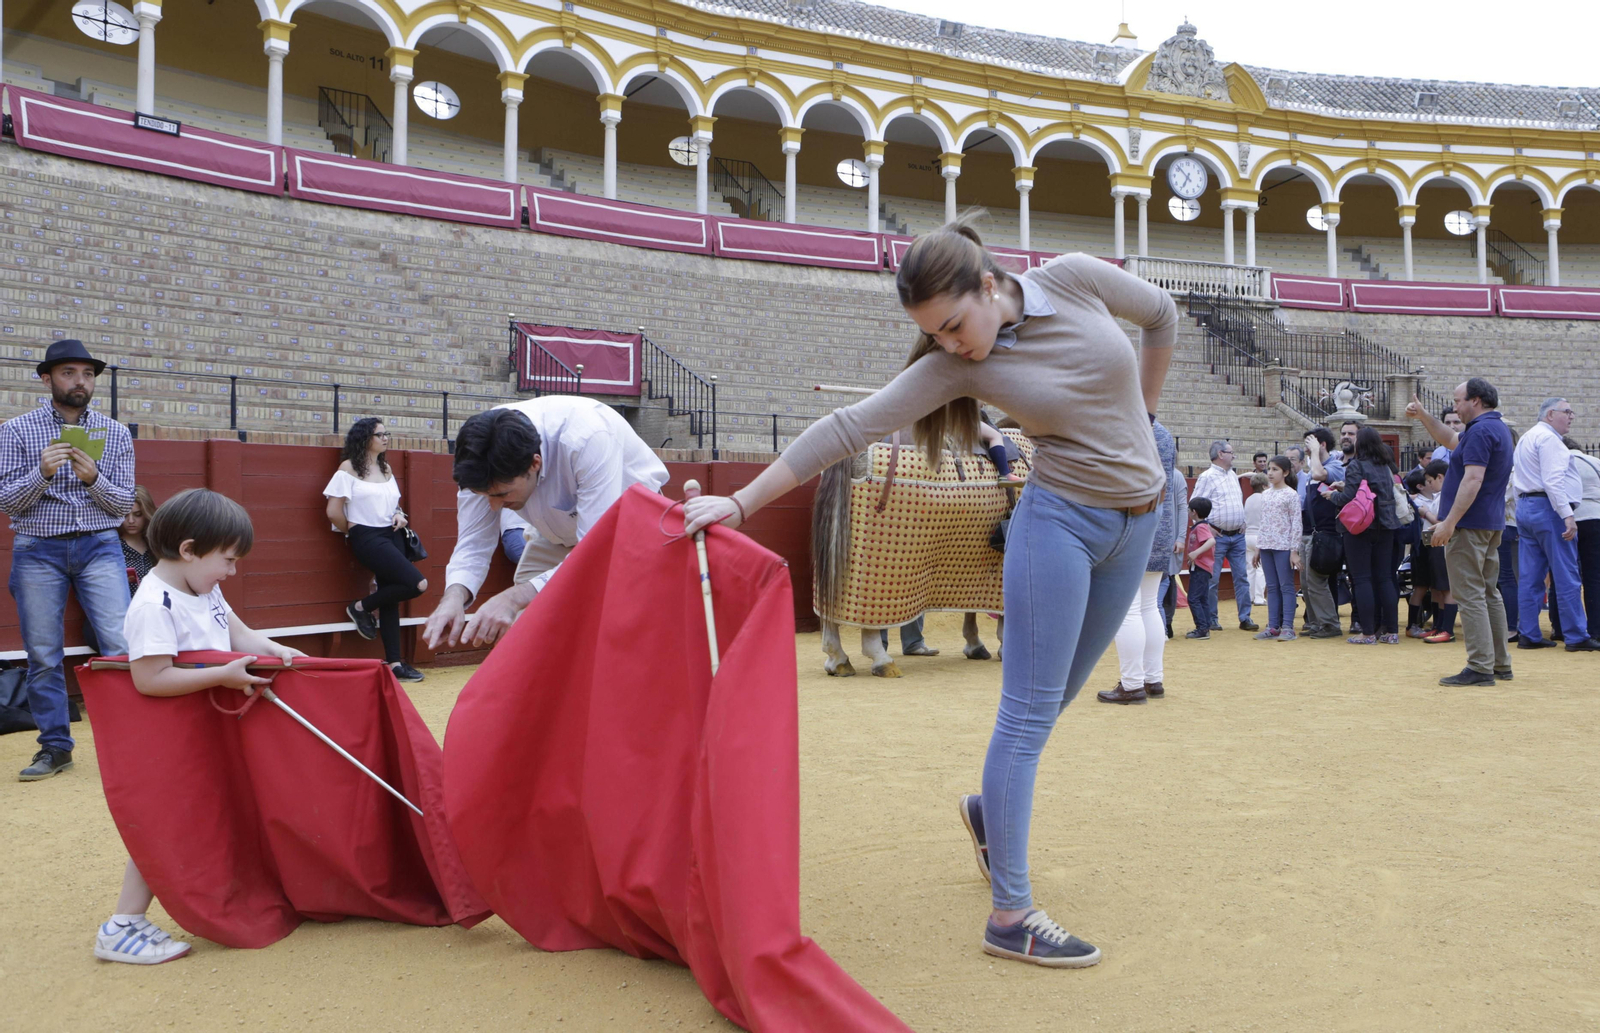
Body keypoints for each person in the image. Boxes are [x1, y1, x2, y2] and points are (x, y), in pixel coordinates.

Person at [683, 223, 1176, 969]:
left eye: (952, 324)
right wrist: (743, 503)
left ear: (987, 284)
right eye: (932, 334)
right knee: (1026, 714)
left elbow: (1162, 315)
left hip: (1137, 525)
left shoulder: (1073, 276)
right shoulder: (956, 370)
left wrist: (1146, 412)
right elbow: (848, 426)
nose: (950, 345)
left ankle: (989, 811)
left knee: (1054, 703)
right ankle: (1010, 915)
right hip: (1058, 526)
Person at [96, 488, 304, 964]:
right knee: (165, 824)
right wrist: (224, 675)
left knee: (199, 818)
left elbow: (238, 631)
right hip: (176, 737)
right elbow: (148, 679)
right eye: (227, 560)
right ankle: (122, 924)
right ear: (188, 550)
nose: (231, 572)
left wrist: (274, 648)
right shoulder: (153, 605)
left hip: (207, 726)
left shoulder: (202, 585)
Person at [423, 397, 668, 650]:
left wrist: (513, 597)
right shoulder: (479, 454)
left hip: (631, 533)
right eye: (485, 496)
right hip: (557, 534)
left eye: (502, 494)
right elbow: (473, 544)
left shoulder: (587, 437)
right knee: (523, 644)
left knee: (617, 644)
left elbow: (596, 554)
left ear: (535, 463)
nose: (494, 507)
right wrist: (452, 598)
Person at [0, 339, 136, 781]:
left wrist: (93, 478)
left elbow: (121, 506)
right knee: (42, 653)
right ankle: (55, 747)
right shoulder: (17, 431)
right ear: (47, 379)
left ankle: (133, 742)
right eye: (69, 373)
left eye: (88, 374)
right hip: (38, 548)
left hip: (99, 545)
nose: (81, 382)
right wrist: (42, 473)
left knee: (120, 646)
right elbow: (8, 504)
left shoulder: (114, 433)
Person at [1405, 381, 1515, 686]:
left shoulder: (1480, 431)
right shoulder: (1494, 427)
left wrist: (1449, 522)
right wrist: (1425, 416)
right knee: (1489, 593)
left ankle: (1480, 666)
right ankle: (1499, 664)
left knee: (1470, 595)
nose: (1455, 407)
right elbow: (1451, 439)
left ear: (1475, 401)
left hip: (1469, 525)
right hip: (1489, 523)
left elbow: (1473, 479)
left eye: (1458, 401)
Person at [324, 418, 427, 682]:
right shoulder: (347, 468)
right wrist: (353, 531)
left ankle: (394, 664)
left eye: (386, 433)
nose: (385, 438)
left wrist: (400, 514)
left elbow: (393, 504)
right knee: (418, 584)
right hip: (367, 536)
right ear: (364, 439)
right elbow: (333, 510)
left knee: (390, 598)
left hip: (391, 535)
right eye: (380, 434)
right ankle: (360, 607)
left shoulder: (386, 468)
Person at [1511, 398, 1600, 651]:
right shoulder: (1550, 440)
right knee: (1567, 574)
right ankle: (1576, 636)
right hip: (1549, 509)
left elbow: (1519, 478)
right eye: (1567, 412)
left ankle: (1528, 633)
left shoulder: (1527, 437)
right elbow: (1553, 481)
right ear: (1551, 414)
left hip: (1527, 507)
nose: (1571, 416)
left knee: (1530, 577)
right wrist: (1567, 516)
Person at [1101, 420, 1179, 704]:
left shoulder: (1122, 428)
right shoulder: (1164, 433)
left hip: (1130, 525)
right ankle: (1152, 679)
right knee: (1148, 606)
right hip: (1160, 524)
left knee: (1128, 610)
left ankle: (1132, 683)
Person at [1326, 427, 1408, 644]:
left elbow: (1349, 497)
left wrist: (1332, 495)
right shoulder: (1387, 466)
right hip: (1387, 525)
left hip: (1361, 527)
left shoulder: (1356, 464)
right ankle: (1391, 631)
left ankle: (1368, 632)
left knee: (1362, 579)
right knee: (1385, 578)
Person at [1190, 441, 1258, 631]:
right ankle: (1212, 619)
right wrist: (1205, 526)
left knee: (1242, 578)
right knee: (1213, 580)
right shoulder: (1207, 477)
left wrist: (1242, 520)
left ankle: (1245, 618)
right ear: (1221, 454)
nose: (1233, 455)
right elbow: (1194, 503)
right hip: (1218, 536)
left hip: (1237, 535)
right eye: (1231, 452)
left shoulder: (1231, 476)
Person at [1298, 429, 1345, 638]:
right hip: (1311, 533)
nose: (1306, 448)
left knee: (1317, 582)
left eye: (1309, 443)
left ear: (1322, 444)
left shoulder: (1333, 465)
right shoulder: (1312, 469)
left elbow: (1319, 474)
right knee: (1307, 583)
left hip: (1326, 534)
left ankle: (1330, 624)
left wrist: (1316, 453)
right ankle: (1317, 622)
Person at [1552, 436, 1600, 643]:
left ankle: (1561, 627)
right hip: (1596, 516)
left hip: (1569, 518)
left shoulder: (1558, 461)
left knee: (1561, 575)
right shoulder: (1595, 462)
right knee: (1594, 577)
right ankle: (1596, 628)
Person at [1253, 456, 1301, 640]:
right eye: (1269, 469)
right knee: (1272, 587)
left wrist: (1294, 550)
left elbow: (1296, 523)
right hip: (1266, 545)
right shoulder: (1266, 494)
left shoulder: (1291, 494)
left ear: (1286, 473)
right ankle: (1273, 625)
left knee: (1286, 586)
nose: (1270, 473)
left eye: (1275, 469)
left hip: (1283, 546)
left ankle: (1288, 626)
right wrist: (1258, 547)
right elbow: (1263, 523)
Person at [1409, 461, 1457, 642]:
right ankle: (1438, 625)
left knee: (1446, 588)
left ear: (1440, 477)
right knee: (1437, 587)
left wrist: (1425, 513)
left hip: (1443, 543)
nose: (1429, 485)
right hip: (1434, 543)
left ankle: (1447, 628)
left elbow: (1442, 523)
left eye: (1430, 480)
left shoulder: (1448, 494)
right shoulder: (1440, 495)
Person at [1182, 497, 1217, 639]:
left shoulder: (1201, 527)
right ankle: (1205, 626)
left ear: (1194, 512)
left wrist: (1196, 553)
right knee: (1201, 598)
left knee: (1194, 598)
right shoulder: (1202, 526)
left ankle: (1202, 628)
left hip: (1201, 567)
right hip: (1203, 567)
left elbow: (1211, 541)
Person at [120, 486, 157, 592]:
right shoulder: (114, 546)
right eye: (125, 515)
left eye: (138, 514)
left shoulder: (155, 545)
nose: (131, 520)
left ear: (146, 514)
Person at [1243, 471, 1269, 607]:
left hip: (1248, 535)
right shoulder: (1266, 498)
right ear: (1264, 486)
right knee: (1261, 568)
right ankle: (1259, 597)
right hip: (1260, 535)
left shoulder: (1249, 499)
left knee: (1250, 567)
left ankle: (1251, 596)